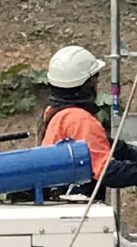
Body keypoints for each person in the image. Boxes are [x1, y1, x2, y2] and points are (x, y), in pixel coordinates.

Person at [38, 47, 113, 185]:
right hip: (74, 197)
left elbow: (99, 142)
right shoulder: (79, 119)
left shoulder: (55, 112)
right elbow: (105, 170)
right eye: (95, 78)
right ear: (86, 85)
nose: (97, 83)